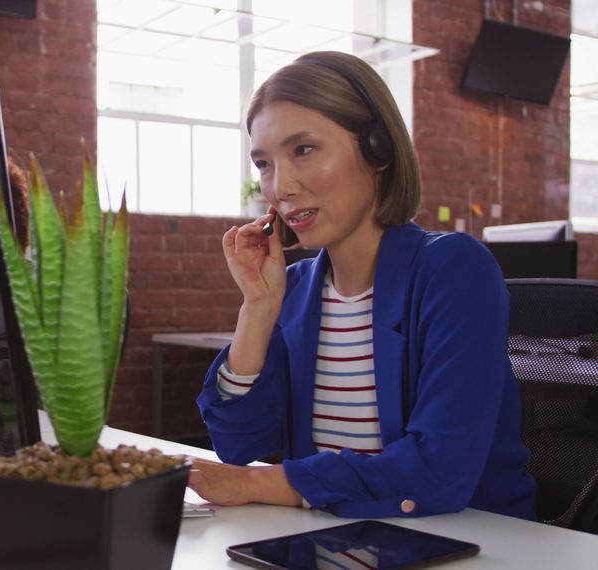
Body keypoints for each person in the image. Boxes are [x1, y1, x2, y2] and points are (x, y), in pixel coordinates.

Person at [189, 51, 536, 520]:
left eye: (303, 150)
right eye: (264, 164)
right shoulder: (293, 289)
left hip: (470, 542)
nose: (280, 187)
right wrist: (257, 306)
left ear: (377, 150)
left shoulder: (453, 269)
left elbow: (439, 471)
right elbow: (237, 443)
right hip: (345, 537)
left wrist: (256, 482)